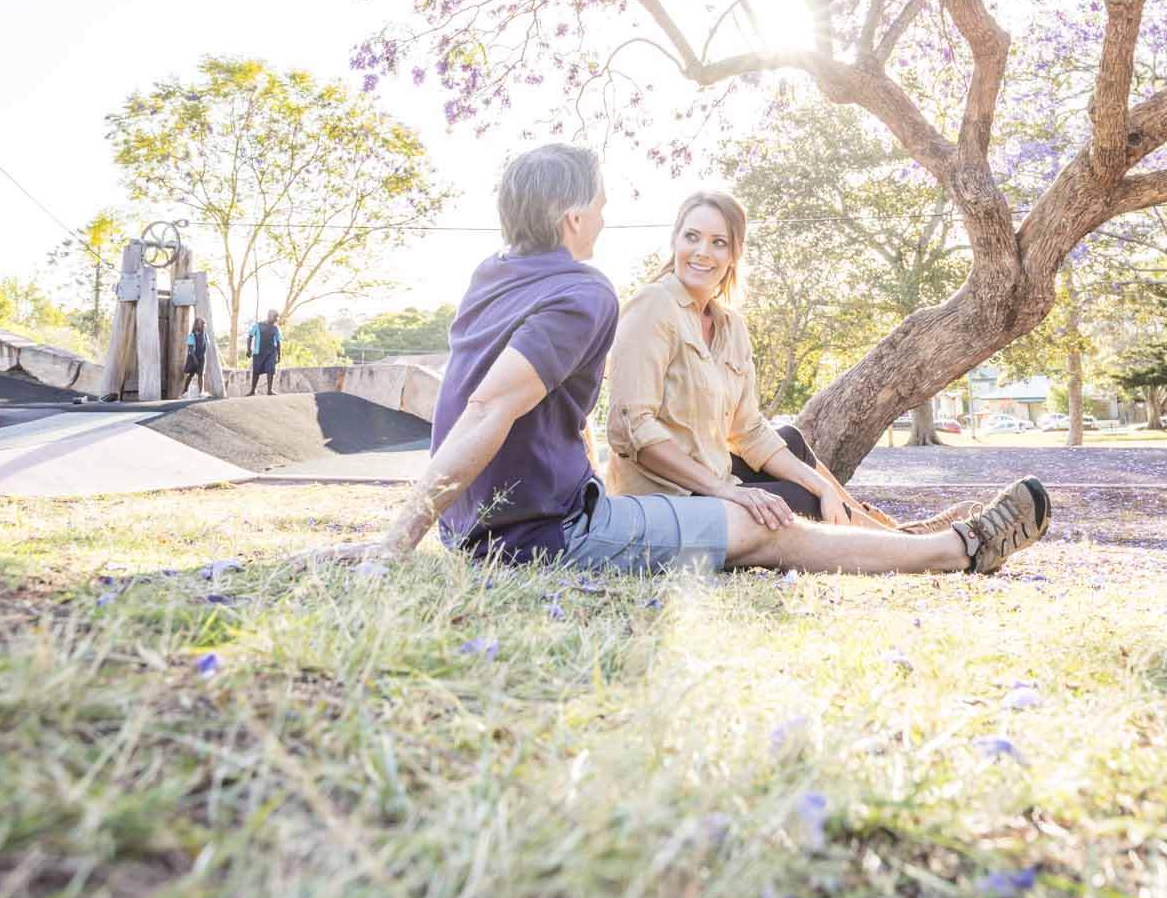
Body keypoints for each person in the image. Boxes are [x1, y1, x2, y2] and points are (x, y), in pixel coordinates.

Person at [335, 144, 1051, 577]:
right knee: (759, 530)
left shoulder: (494, 273)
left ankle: (906, 537)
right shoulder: (589, 292)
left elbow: (749, 429)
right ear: (572, 221)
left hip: (510, 524)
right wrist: (396, 542)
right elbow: (492, 406)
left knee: (792, 461)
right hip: (543, 532)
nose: (608, 216)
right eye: (602, 204)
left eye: (719, 242)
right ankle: (959, 549)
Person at [606, 188, 957, 534]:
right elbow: (632, 428)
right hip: (667, 498)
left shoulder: (731, 327)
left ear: (735, 253)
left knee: (790, 441)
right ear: (675, 241)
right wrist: (727, 490)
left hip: (711, 481)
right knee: (798, 500)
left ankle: (895, 537)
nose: (702, 252)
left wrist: (825, 488)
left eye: (718, 242)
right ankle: (902, 542)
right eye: (692, 237)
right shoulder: (654, 306)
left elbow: (748, 431)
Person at [248, 310, 282, 395]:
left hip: (271, 352)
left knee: (271, 370)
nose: (276, 319)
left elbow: (278, 342)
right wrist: (249, 349)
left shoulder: (276, 328)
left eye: (277, 317)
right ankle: (252, 390)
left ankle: (269, 390)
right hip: (258, 352)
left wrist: (279, 355)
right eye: (275, 317)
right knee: (256, 372)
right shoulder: (258, 325)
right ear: (269, 316)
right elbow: (250, 336)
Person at [181, 314, 209, 397]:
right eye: (202, 323)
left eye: (204, 324)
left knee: (201, 374)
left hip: (201, 358)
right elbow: (190, 349)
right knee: (191, 374)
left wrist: (202, 358)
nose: (204, 325)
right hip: (193, 357)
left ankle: (201, 392)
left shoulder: (205, 335)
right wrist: (195, 359)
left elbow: (207, 345)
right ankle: (185, 391)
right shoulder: (192, 336)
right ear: (197, 325)